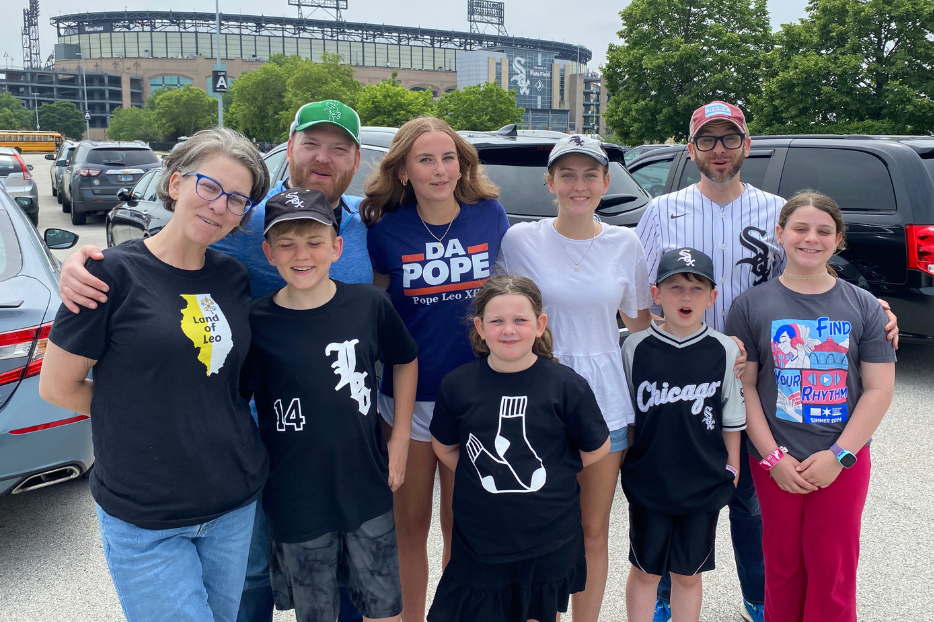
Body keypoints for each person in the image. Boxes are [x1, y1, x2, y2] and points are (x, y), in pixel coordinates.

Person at [54, 99, 374, 622]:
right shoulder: (247, 220)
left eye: (339, 148)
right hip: (242, 429)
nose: (323, 157)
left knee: (333, 576)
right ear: (288, 146)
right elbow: (162, 267)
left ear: (356, 159)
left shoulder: (366, 221)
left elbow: (384, 308)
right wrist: (80, 263)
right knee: (250, 586)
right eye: (311, 143)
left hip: (324, 439)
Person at [635, 100, 899, 622]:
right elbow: (642, 301)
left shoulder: (776, 209)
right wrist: (652, 362)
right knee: (672, 493)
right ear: (690, 150)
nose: (718, 150)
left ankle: (761, 601)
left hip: (755, 380)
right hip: (683, 381)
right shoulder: (661, 211)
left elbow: (813, 281)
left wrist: (877, 308)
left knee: (754, 502)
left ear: (746, 146)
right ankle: (665, 595)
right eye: (707, 140)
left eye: (729, 139)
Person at [37, 128, 271, 622]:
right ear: (176, 183)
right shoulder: (108, 275)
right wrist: (141, 413)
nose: (219, 207)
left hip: (232, 500)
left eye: (236, 200)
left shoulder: (233, 278)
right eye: (209, 187)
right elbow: (57, 386)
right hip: (146, 513)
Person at [241, 188, 419, 622]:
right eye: (286, 244)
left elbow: (406, 359)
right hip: (295, 494)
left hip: (365, 485)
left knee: (383, 606)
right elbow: (234, 399)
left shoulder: (368, 304)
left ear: (337, 248)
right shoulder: (256, 322)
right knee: (316, 610)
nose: (302, 254)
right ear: (268, 253)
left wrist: (399, 439)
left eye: (315, 242)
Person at [496, 134, 652, 622]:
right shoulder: (520, 241)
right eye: (567, 174)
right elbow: (500, 317)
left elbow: (643, 327)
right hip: (536, 399)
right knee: (537, 527)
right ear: (550, 182)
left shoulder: (625, 243)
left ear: (606, 182)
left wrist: (716, 351)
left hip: (604, 404)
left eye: (589, 175)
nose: (578, 185)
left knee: (591, 530)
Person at [362, 116, 510, 622]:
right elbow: (375, 307)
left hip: (473, 398)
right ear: (403, 170)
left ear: (463, 164)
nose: (439, 169)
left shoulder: (490, 215)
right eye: (425, 159)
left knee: (459, 528)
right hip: (405, 400)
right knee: (408, 528)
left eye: (448, 158)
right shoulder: (385, 230)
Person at [726, 191, 896, 622]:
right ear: (780, 234)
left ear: (838, 240)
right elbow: (745, 387)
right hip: (775, 460)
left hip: (843, 459)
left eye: (824, 231)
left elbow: (879, 389)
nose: (810, 239)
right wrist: (773, 457)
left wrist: (841, 455)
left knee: (833, 568)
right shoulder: (751, 305)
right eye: (800, 228)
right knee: (781, 567)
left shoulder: (862, 305)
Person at [429, 274, 610, 622]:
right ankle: (500, 463)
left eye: (520, 320)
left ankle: (516, 457)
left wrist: (553, 469)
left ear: (540, 325)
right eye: (497, 321)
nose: (508, 330)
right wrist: (482, 470)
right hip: (479, 537)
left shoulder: (566, 386)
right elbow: (446, 447)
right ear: (480, 328)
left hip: (548, 535)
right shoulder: (458, 385)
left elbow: (596, 448)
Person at [621, 248, 746, 622]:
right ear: (656, 294)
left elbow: (731, 416)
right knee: (645, 570)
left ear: (712, 296)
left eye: (696, 287)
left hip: (702, 479)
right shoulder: (635, 346)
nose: (686, 296)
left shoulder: (724, 349)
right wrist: (629, 463)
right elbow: (628, 416)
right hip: (650, 478)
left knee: (688, 574)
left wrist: (733, 467)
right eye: (674, 287)